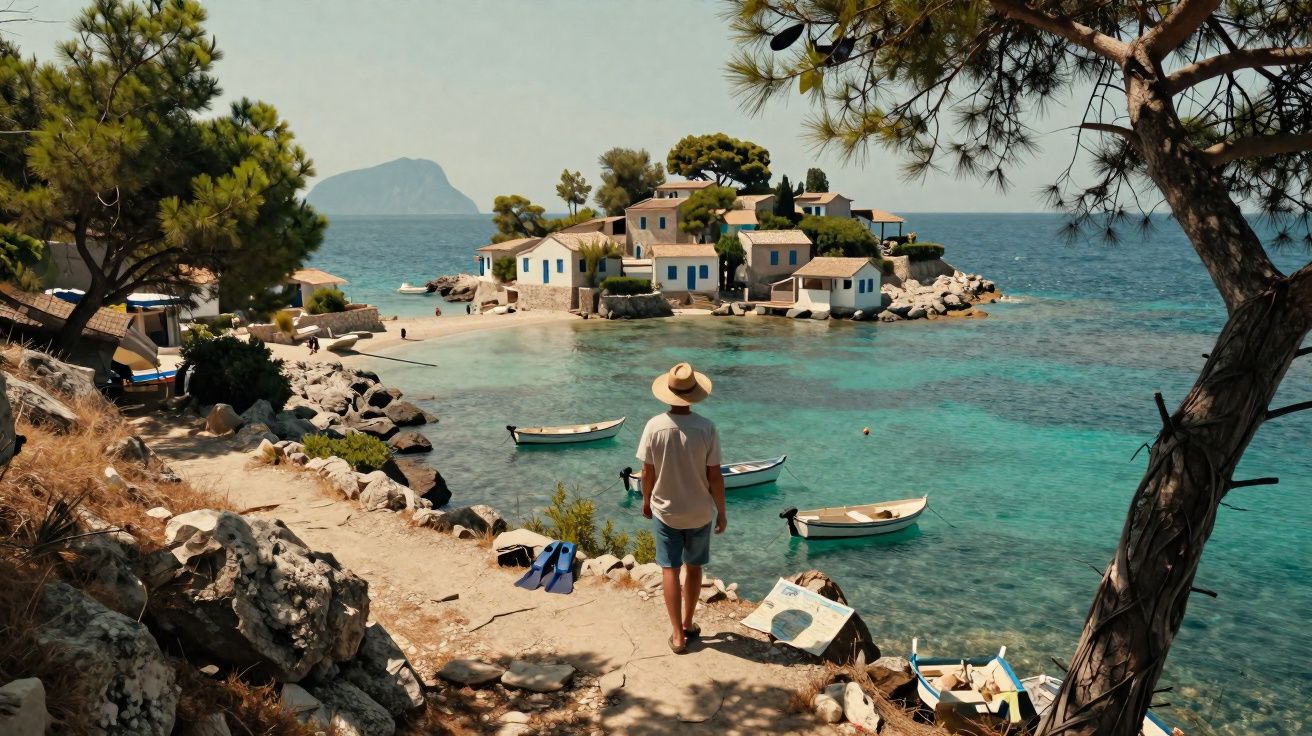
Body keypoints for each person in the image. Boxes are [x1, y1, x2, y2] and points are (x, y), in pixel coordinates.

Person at [636, 362, 726, 654]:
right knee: (694, 566)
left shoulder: (654, 426)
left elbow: (647, 471)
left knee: (670, 569)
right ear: (694, 393)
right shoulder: (706, 428)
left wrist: (646, 500)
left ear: (668, 392)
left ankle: (677, 635)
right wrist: (722, 512)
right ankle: (688, 622)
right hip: (700, 511)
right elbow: (714, 475)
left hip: (666, 510)